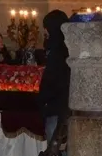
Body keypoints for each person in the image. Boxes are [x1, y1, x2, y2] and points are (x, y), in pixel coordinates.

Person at [37, 10, 70, 146]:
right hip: (65, 108)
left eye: (46, 27)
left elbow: (52, 81)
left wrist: (42, 101)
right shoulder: (68, 47)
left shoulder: (58, 52)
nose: (45, 32)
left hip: (57, 109)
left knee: (55, 147)